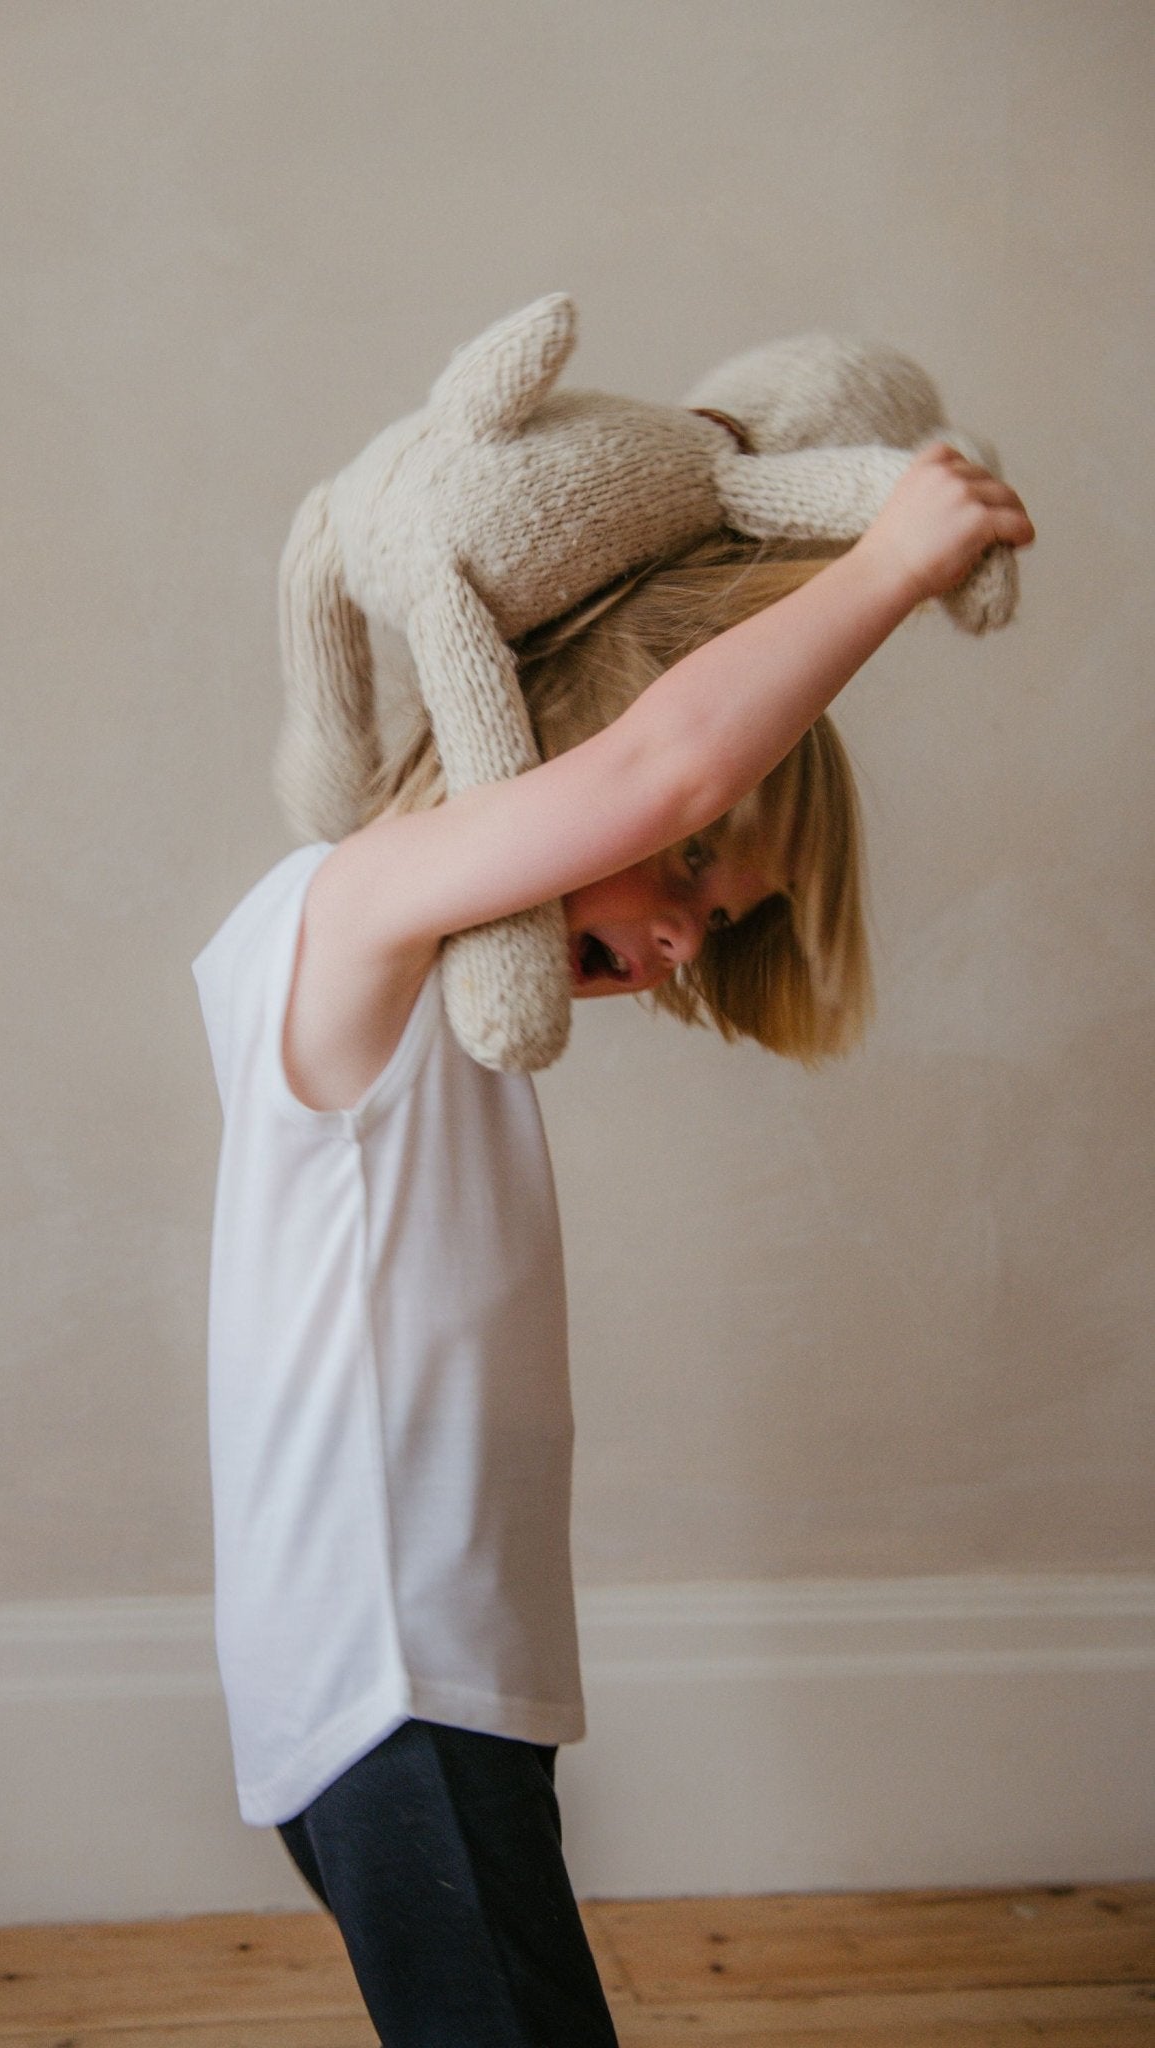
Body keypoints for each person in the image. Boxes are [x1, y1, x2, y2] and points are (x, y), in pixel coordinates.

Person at [193, 442, 1034, 2047]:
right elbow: (655, 771)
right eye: (703, 871)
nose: (671, 942)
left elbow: (653, 793)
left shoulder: (433, 1015)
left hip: (444, 1679)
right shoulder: (346, 914)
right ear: (546, 752)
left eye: (712, 927)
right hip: (390, 1680)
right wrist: (886, 566)